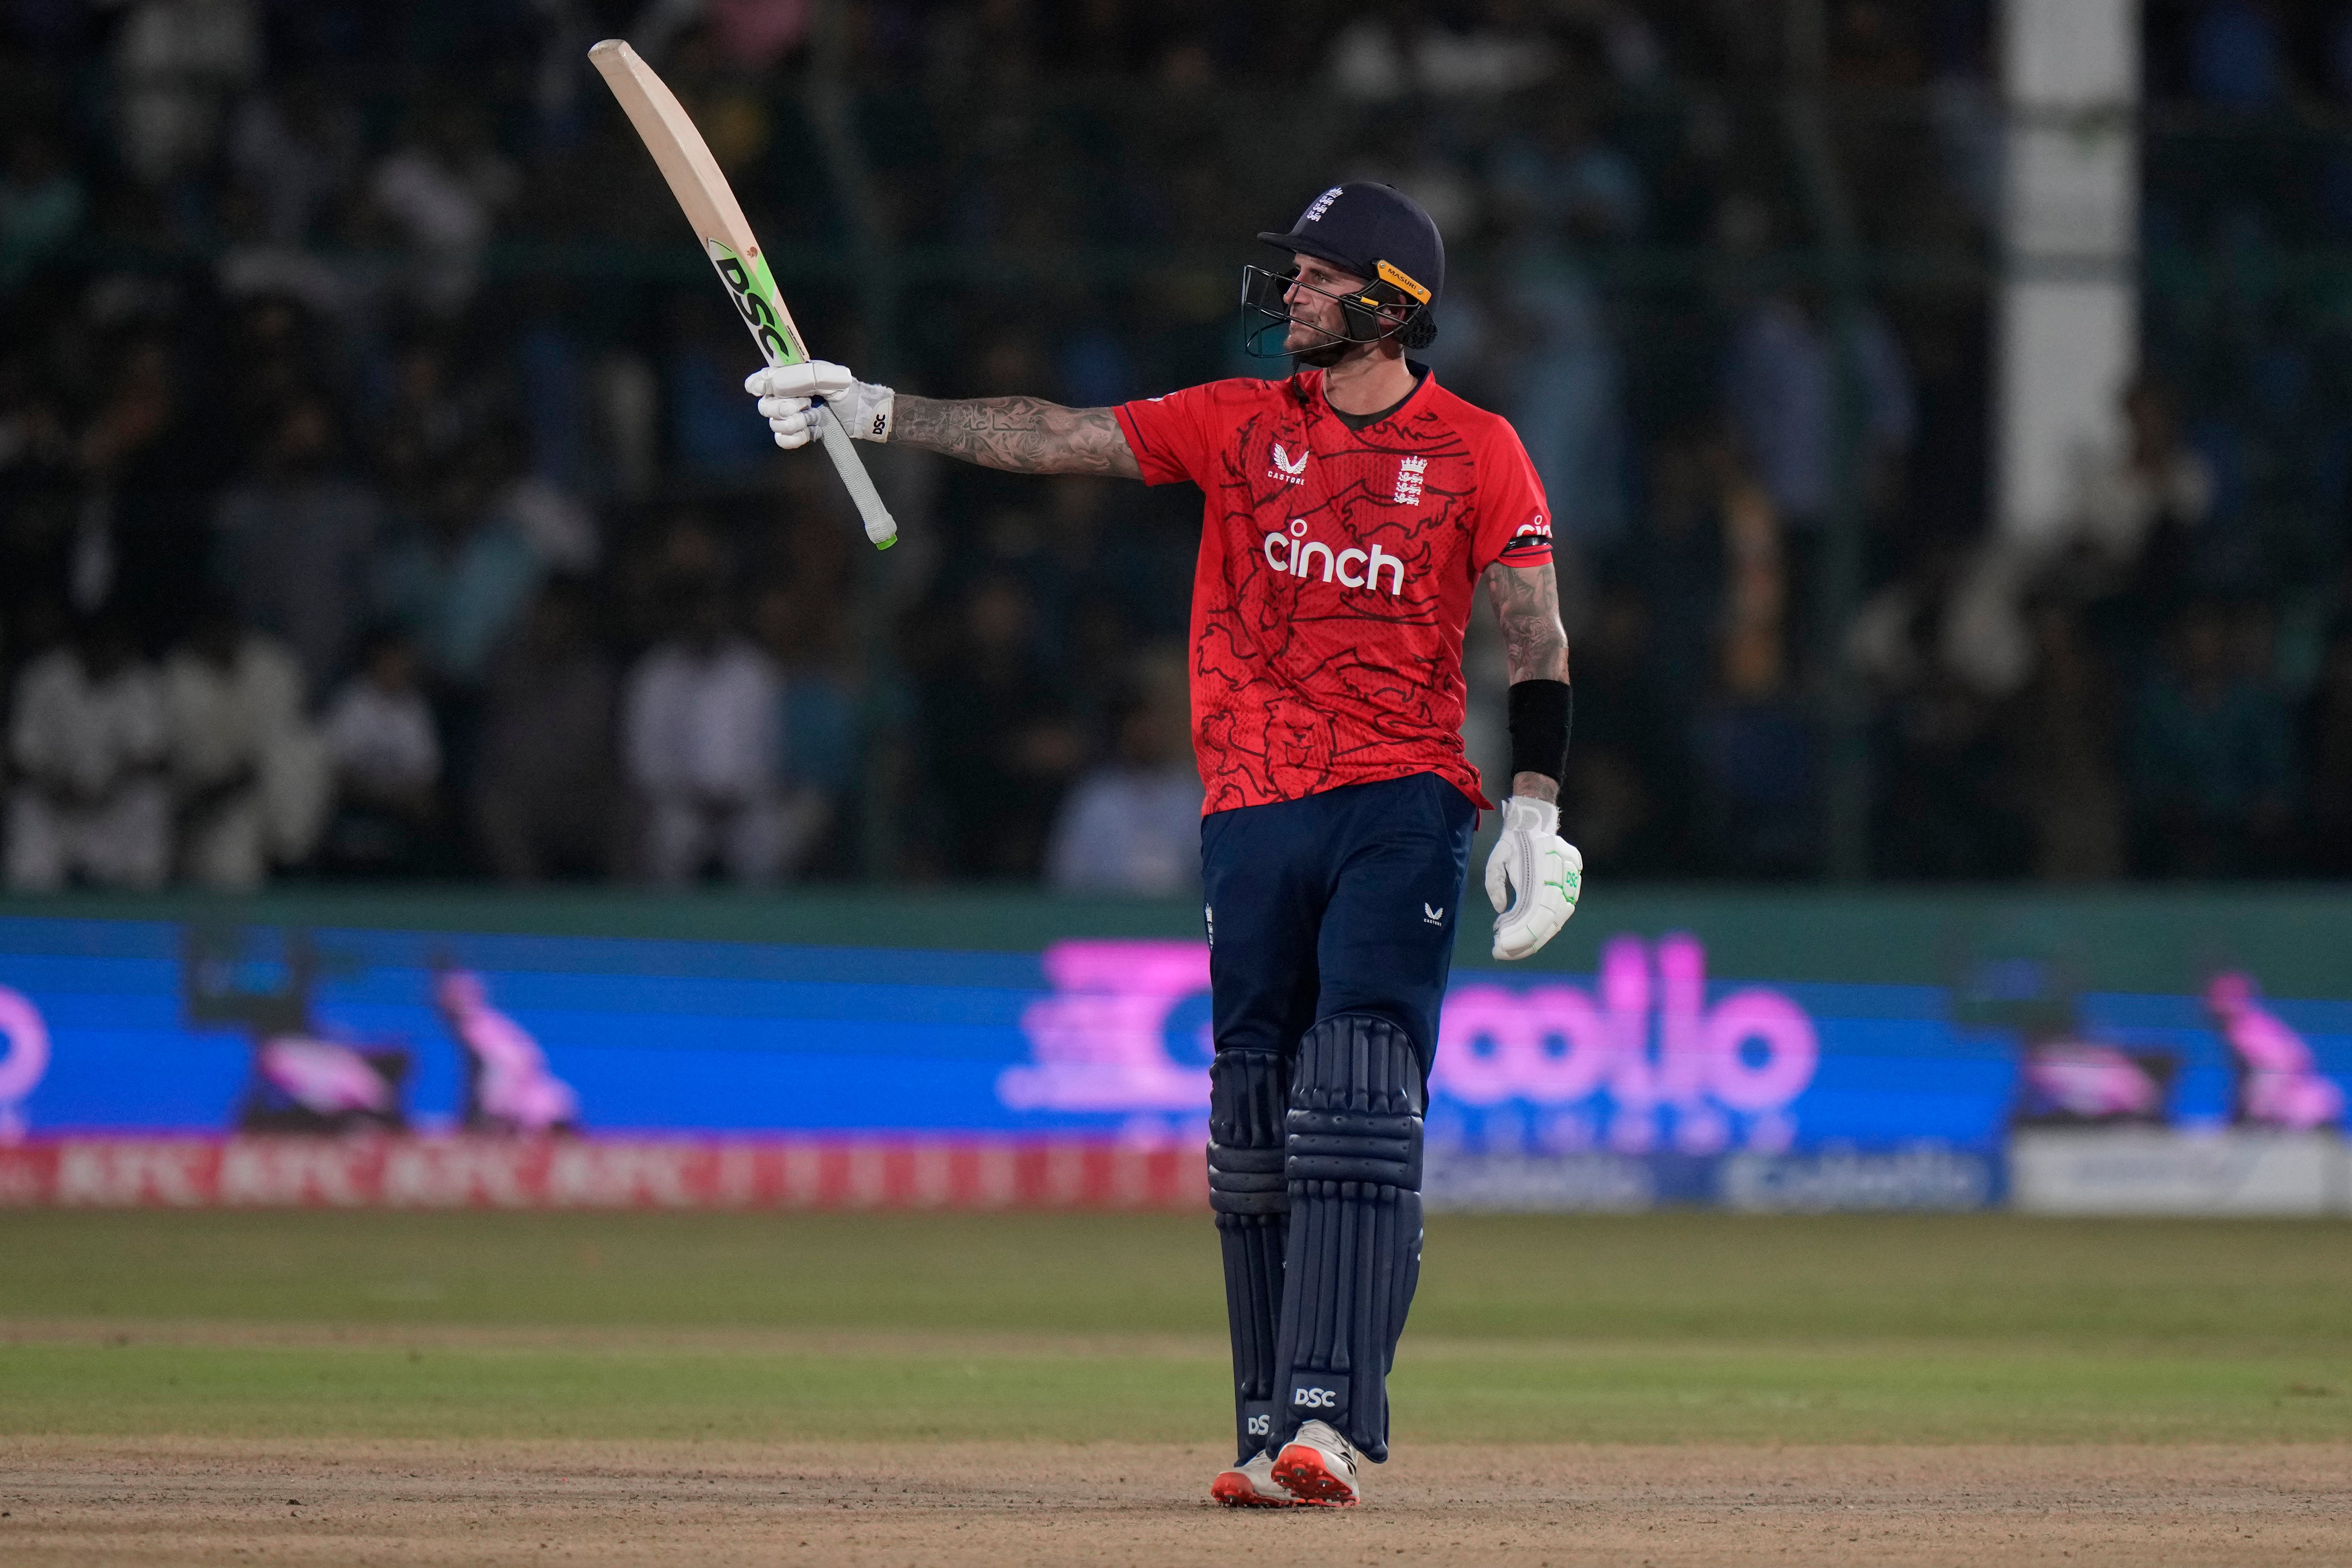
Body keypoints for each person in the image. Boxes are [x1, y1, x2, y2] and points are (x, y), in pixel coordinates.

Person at [745, 182, 1583, 1509]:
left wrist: (1535, 805)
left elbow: (1534, 638)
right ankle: (1264, 1430)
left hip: (1401, 798)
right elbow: (1056, 438)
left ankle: (1328, 1422)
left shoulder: (1480, 448)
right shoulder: (1240, 423)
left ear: (1389, 303)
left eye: (1316, 278)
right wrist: (876, 410)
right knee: (1254, 1123)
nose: (1291, 295)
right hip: (1249, 806)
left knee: (1356, 1099)